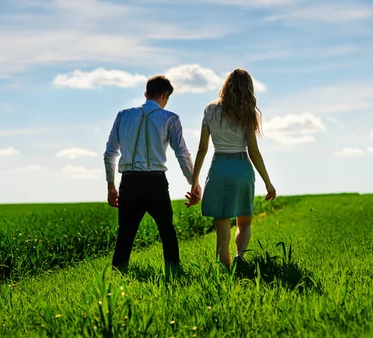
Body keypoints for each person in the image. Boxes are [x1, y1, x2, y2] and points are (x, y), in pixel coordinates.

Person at [104, 75, 201, 270]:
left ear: (146, 93)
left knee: (125, 234)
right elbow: (181, 153)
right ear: (165, 95)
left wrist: (111, 186)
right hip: (155, 182)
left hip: (129, 182)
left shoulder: (123, 115)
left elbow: (109, 154)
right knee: (167, 231)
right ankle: (174, 272)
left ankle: (118, 273)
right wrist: (194, 183)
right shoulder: (170, 118)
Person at [186, 68, 276, 269]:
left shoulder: (210, 110)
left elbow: (202, 148)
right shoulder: (248, 113)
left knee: (222, 228)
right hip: (241, 167)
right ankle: (240, 257)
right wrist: (268, 183)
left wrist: (195, 181)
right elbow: (253, 152)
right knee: (244, 222)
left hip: (218, 168)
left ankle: (224, 270)